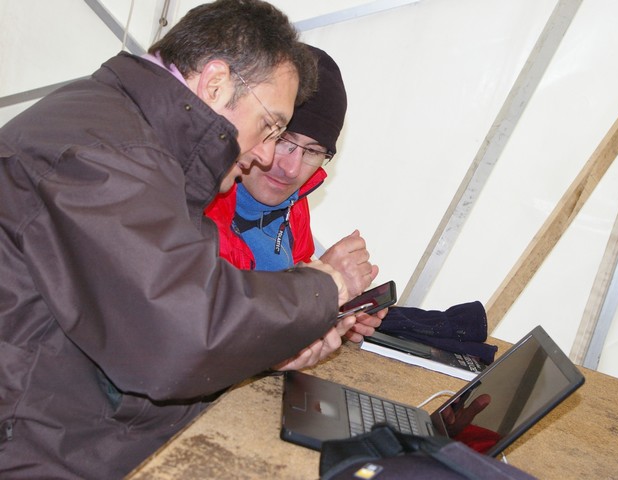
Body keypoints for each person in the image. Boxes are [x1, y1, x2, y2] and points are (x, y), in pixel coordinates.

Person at [0, 1, 366, 478]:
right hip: (41, 450)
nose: (266, 155)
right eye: (272, 128)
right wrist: (322, 288)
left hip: (77, 425)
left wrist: (267, 351)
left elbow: (151, 328)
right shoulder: (107, 156)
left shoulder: (137, 140)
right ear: (215, 83)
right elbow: (182, 335)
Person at [206, 45, 384, 343]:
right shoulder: (199, 198)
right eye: (283, 140)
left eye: (312, 151)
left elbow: (291, 274)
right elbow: (208, 321)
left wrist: (336, 309)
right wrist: (316, 288)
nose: (291, 169)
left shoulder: (292, 203)